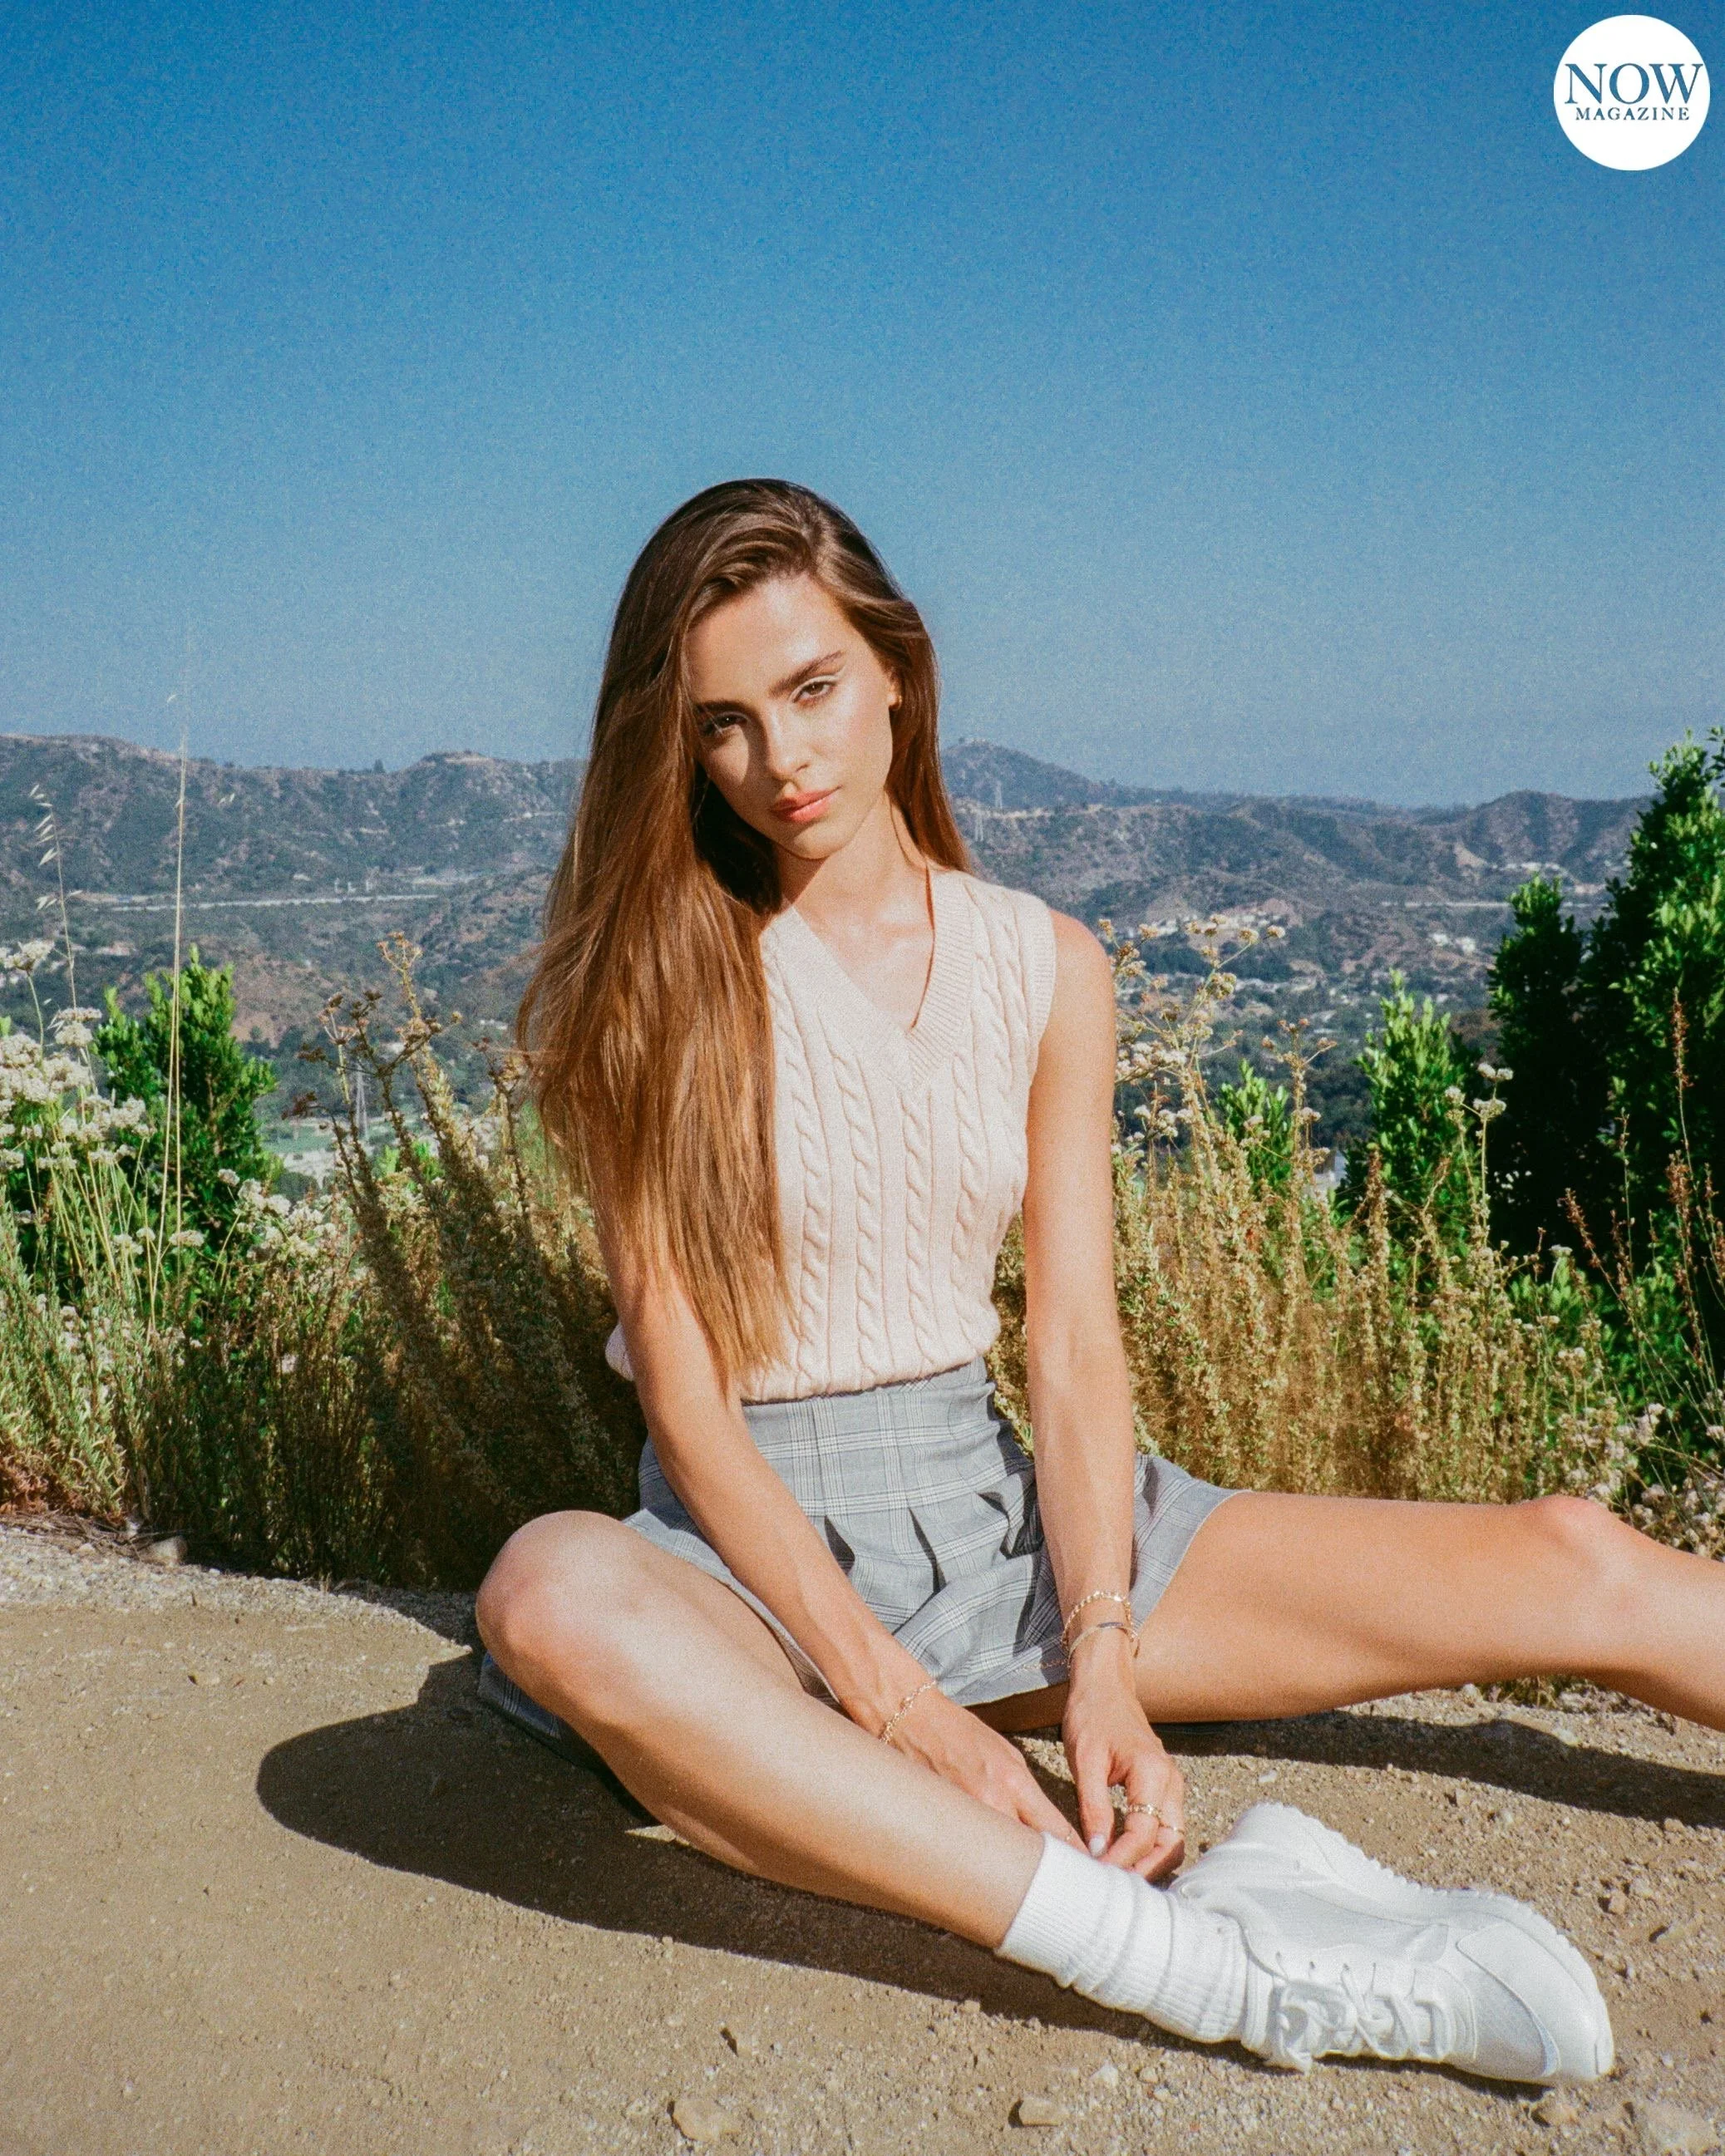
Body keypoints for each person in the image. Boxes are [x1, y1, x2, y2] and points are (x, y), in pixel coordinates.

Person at [476, 479, 1717, 2082]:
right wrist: (909, 1714)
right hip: (746, 1576)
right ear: (679, 747)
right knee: (548, 1596)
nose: (781, 759)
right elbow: (692, 1406)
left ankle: (1217, 1872)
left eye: (812, 689)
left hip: (1013, 1524)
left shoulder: (1047, 966)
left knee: (1571, 1555)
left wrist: (1102, 1656)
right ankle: (1201, 1964)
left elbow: (1066, 1342)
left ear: (896, 673)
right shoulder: (646, 990)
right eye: (723, 723)